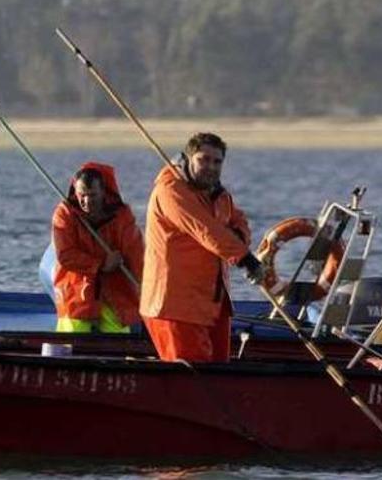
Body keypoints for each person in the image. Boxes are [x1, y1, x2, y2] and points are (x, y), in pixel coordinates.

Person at [140, 133, 265, 362]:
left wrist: (239, 238)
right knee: (193, 379)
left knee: (218, 370)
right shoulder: (171, 190)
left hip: (211, 301)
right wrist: (245, 258)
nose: (210, 167)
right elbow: (205, 230)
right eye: (204, 160)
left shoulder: (216, 193)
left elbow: (238, 221)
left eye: (217, 162)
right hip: (176, 306)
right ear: (188, 159)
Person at [50, 162, 145, 333]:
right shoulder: (65, 214)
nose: (87, 201)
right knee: (69, 342)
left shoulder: (122, 216)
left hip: (115, 295)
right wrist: (100, 264)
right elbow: (65, 255)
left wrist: (145, 289)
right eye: (82, 195)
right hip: (76, 294)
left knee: (119, 345)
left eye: (92, 195)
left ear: (103, 192)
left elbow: (136, 255)